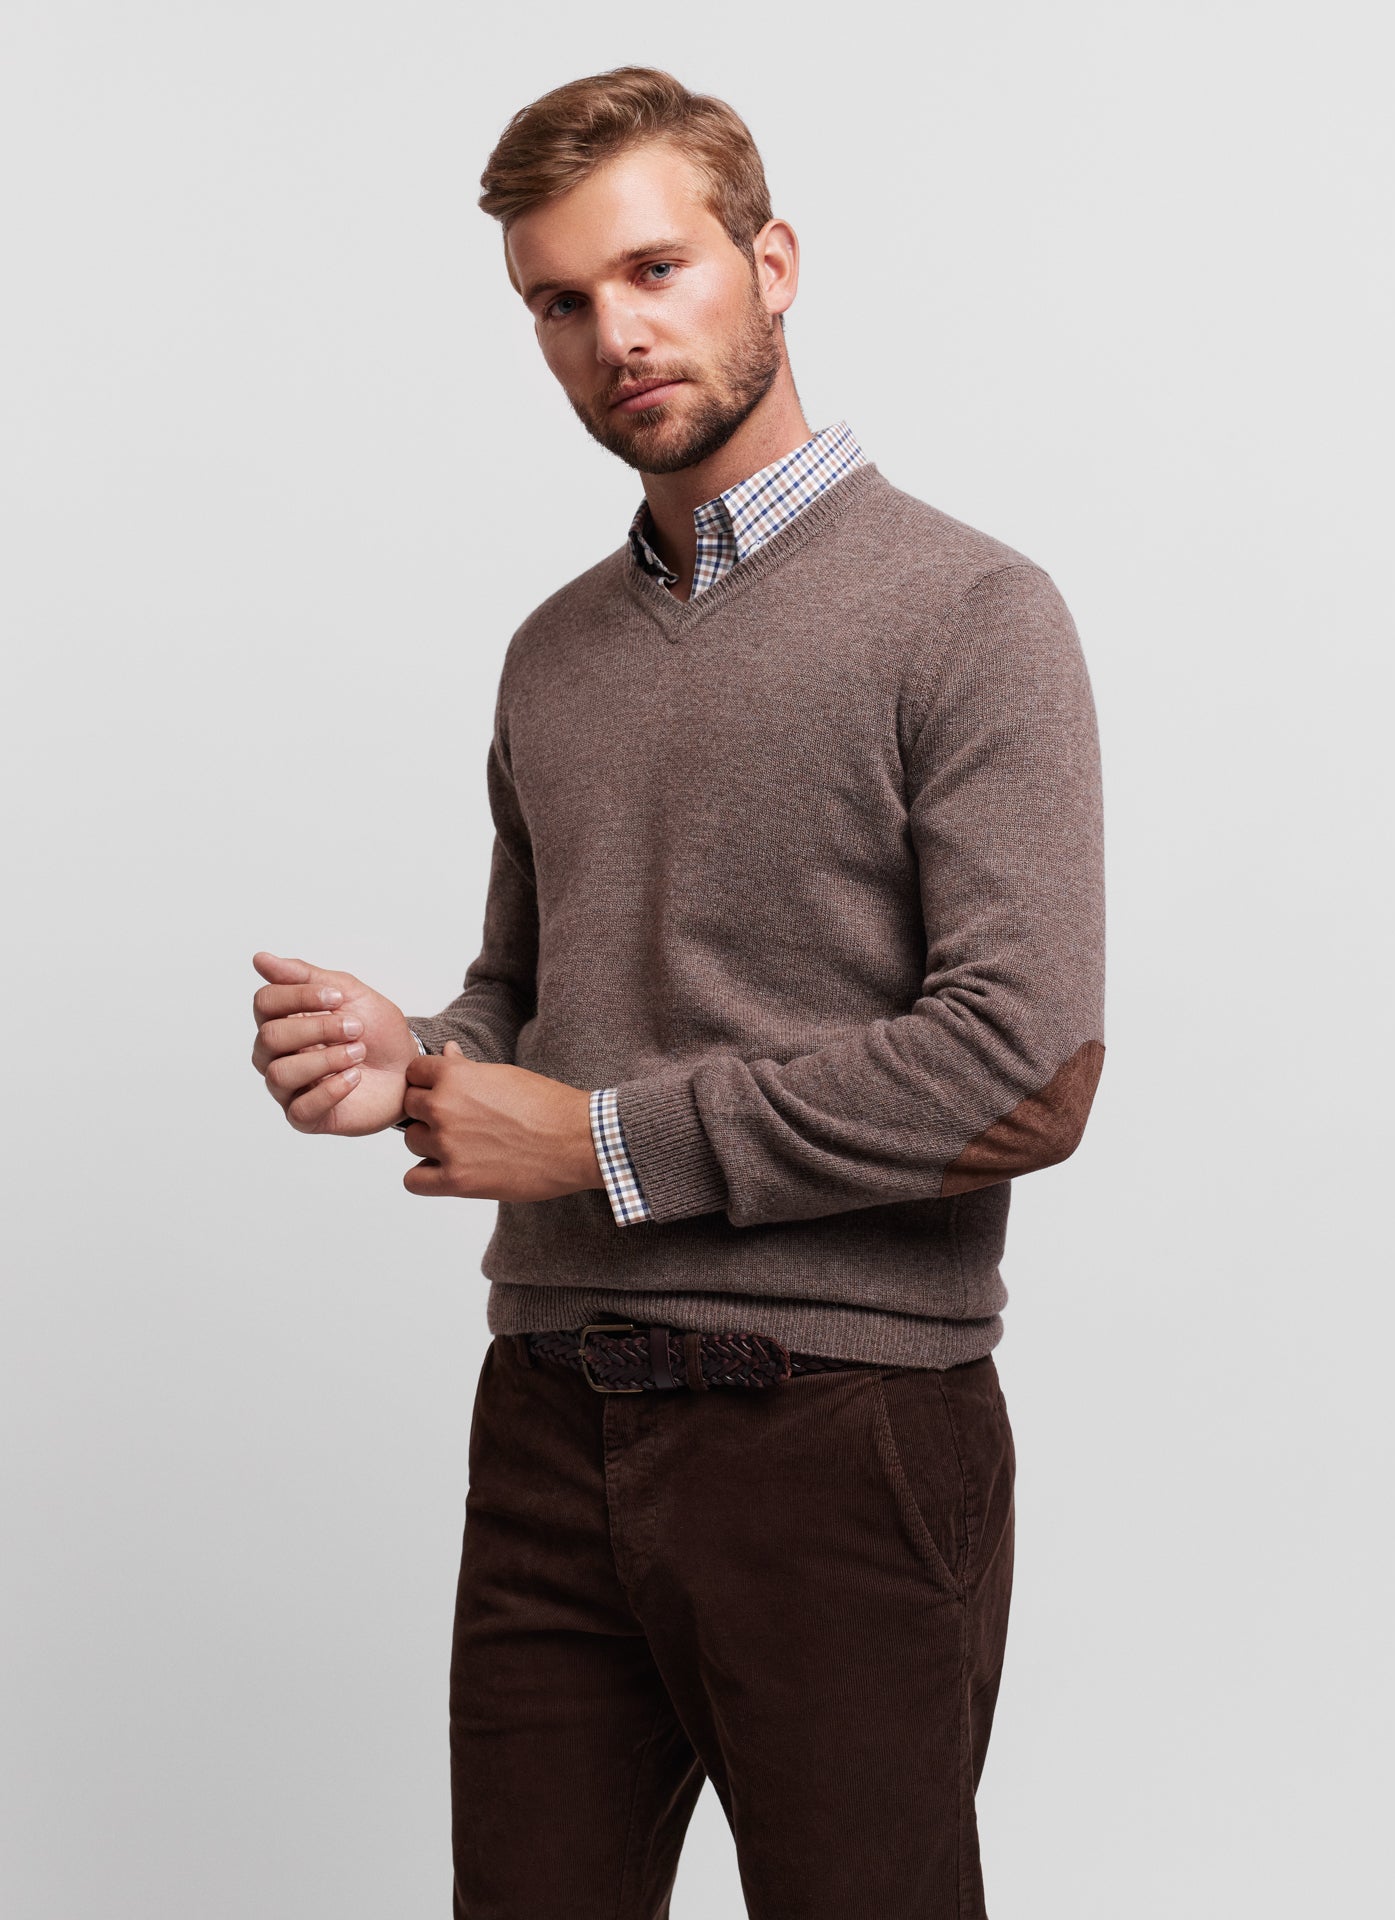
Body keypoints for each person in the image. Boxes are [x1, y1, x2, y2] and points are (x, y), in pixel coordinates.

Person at [250, 65, 1105, 1920]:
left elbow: (1025, 1070)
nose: (614, 335)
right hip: (547, 1419)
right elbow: (528, 992)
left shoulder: (971, 613)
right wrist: (417, 1057)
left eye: (655, 270)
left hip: (842, 1428)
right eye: (559, 301)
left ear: (770, 263)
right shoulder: (552, 651)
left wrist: (597, 1144)